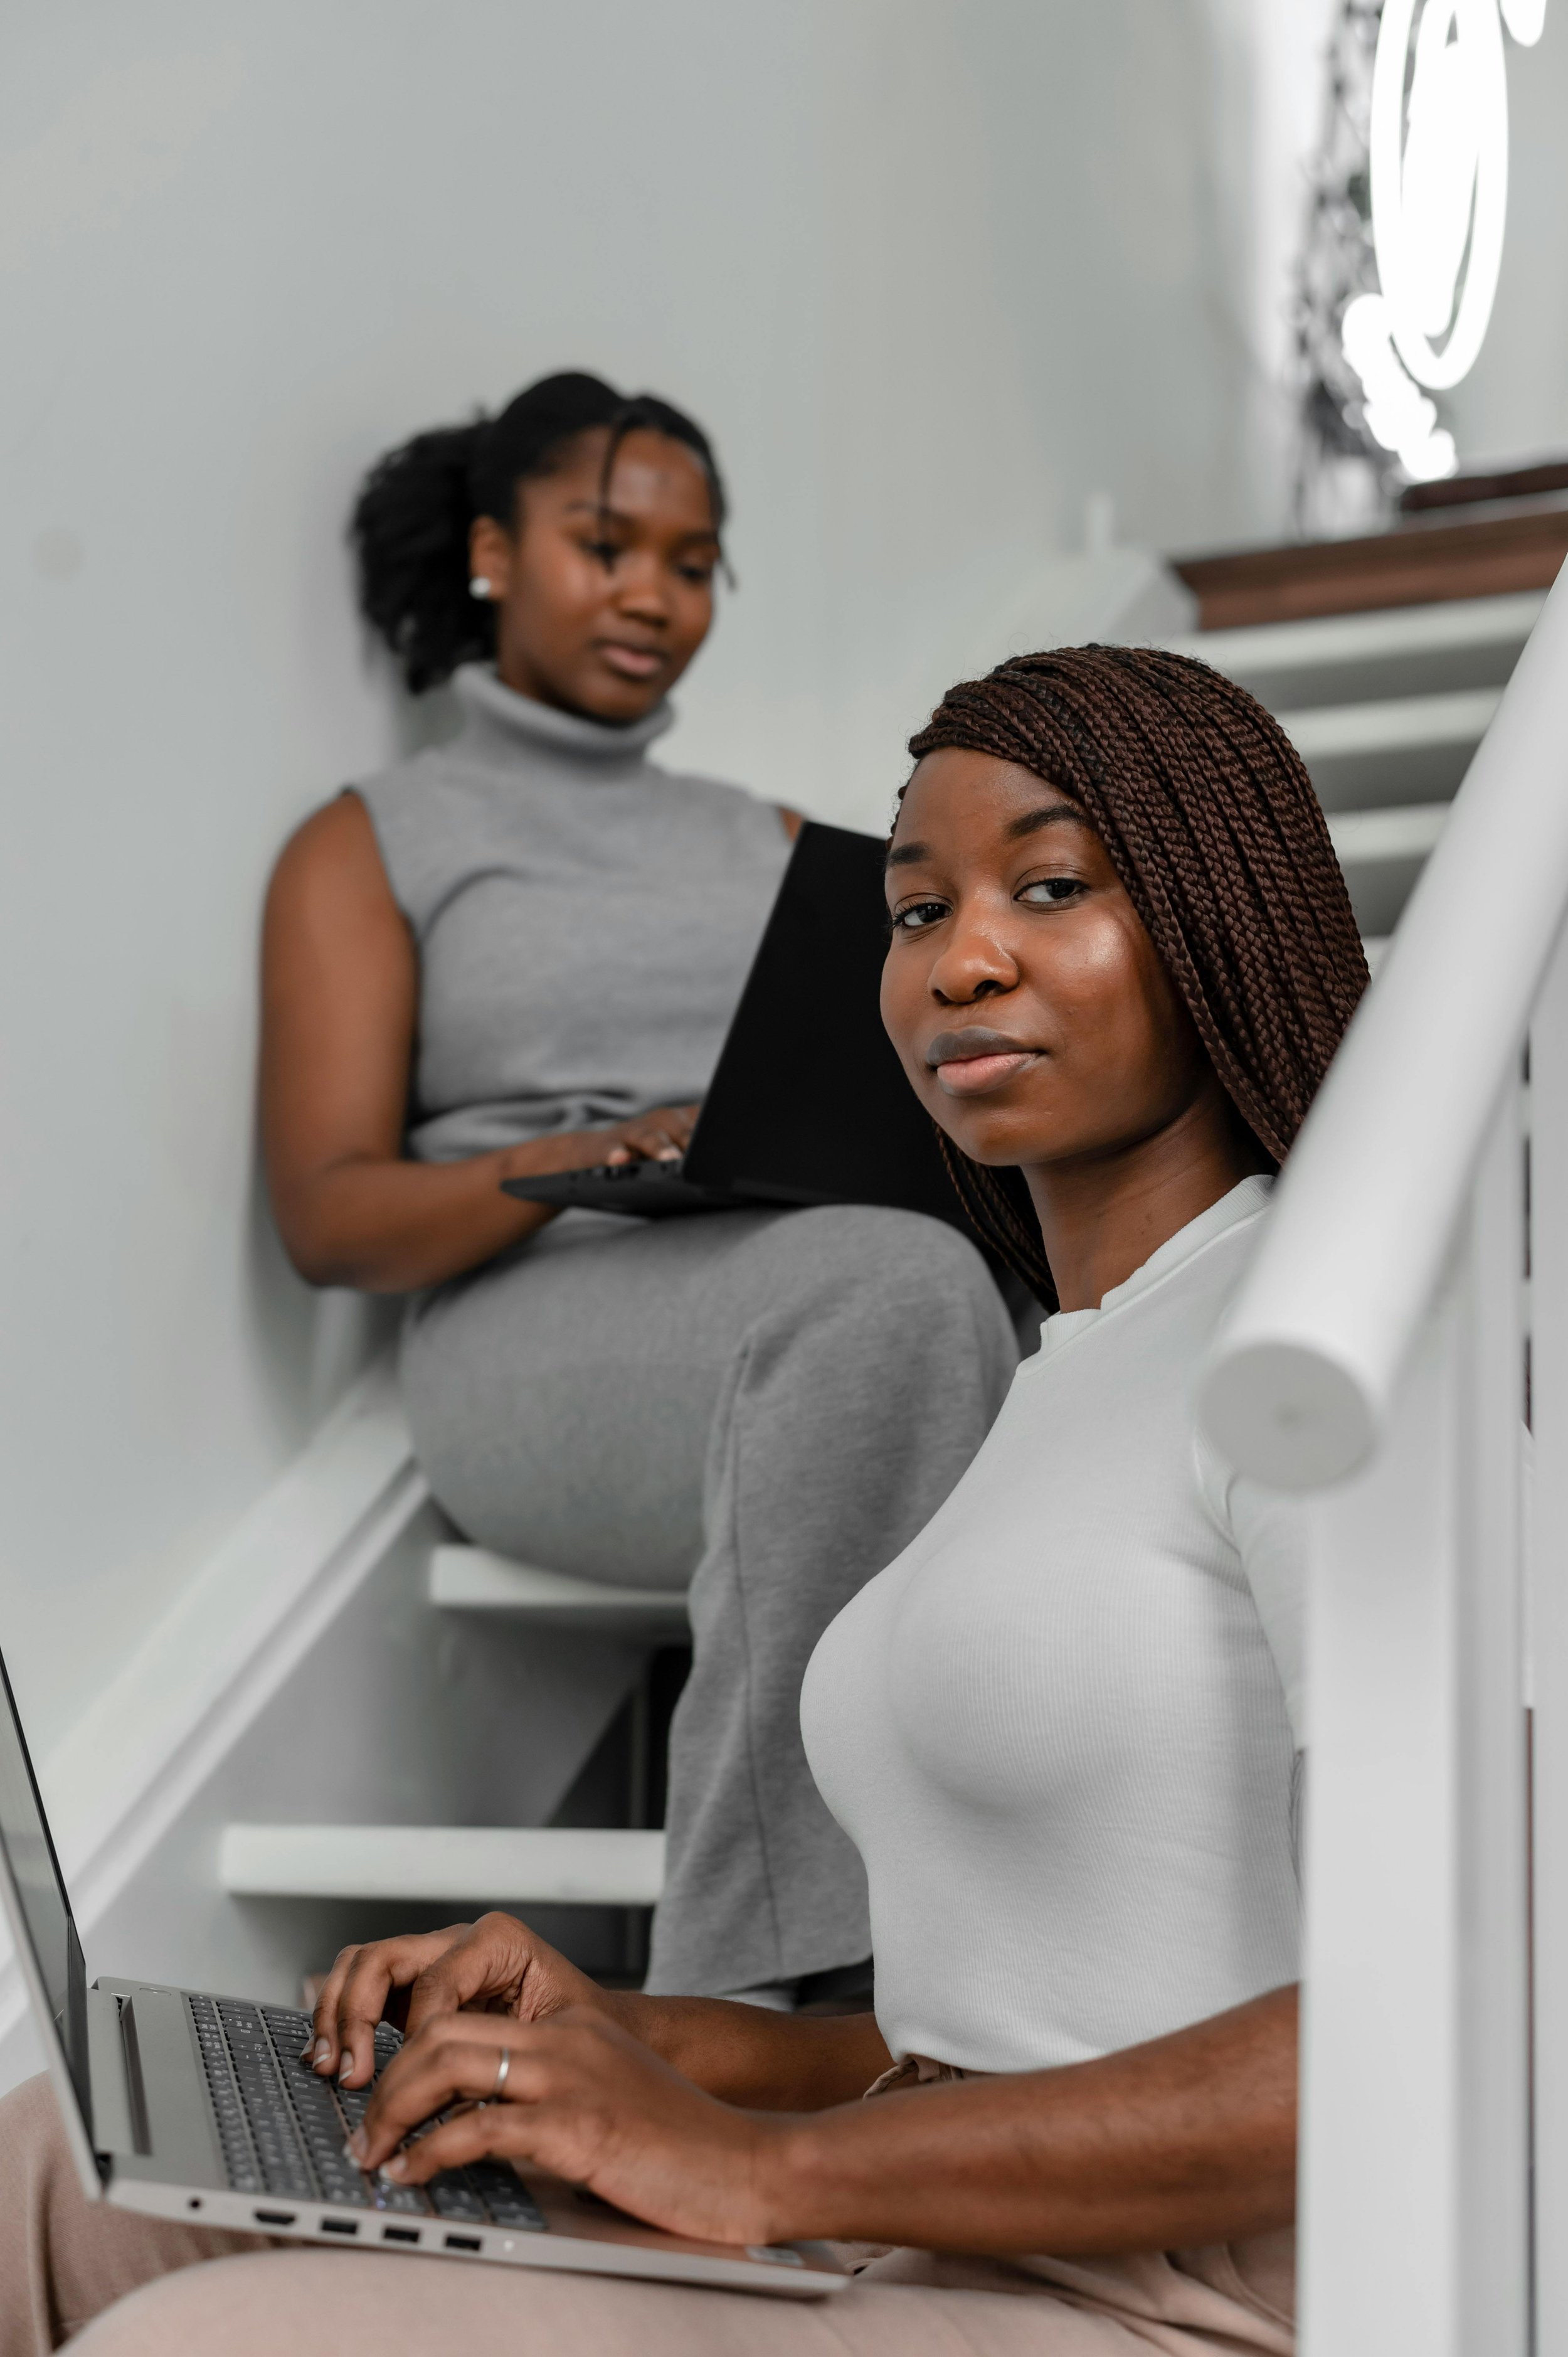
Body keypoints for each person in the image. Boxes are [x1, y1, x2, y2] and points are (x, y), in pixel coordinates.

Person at [0, 644, 1367, 2354]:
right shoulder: (1057, 1374)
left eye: (1048, 886)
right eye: (913, 909)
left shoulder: (1325, 1359)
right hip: (915, 2221)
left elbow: (1418, 2026)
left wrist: (757, 2172)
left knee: (186, 2344)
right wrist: (633, 2034)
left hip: (1164, 2304)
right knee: (60, 2174)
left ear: (1219, 913)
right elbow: (978, 2034)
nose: (961, 962)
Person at [259, 371, 1019, 2004]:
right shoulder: (375, 839)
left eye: (691, 564)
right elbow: (329, 1216)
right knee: (892, 1301)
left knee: (975, 1287)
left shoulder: (776, 839)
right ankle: (765, 1996)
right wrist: (592, 1159)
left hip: (815, 1263)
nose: (652, 599)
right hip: (534, 1319)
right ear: (490, 552)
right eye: (606, 545)